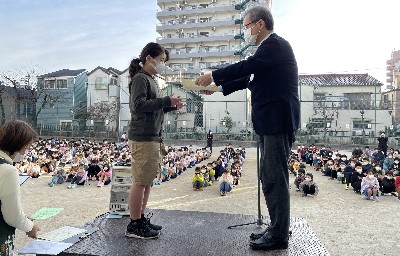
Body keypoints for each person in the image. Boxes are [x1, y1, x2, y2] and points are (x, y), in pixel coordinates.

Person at [195, 5, 299, 251]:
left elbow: (246, 67)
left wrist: (213, 75)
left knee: (274, 177)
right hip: (271, 121)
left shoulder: (275, 46)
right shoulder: (268, 52)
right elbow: (247, 79)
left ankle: (279, 234)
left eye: (247, 26)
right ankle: (277, 227)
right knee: (270, 175)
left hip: (276, 120)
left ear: (260, 24)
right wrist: (217, 88)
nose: (246, 32)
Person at [125, 42, 184, 239]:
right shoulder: (141, 78)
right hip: (143, 137)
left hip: (151, 136)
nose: (162, 65)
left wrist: (170, 106)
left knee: (147, 180)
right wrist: (166, 101)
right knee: (141, 181)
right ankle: (134, 224)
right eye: (160, 60)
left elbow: (153, 106)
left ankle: (140, 218)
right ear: (149, 58)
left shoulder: (151, 79)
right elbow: (138, 106)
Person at [0, 120, 40, 255]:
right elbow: (12, 215)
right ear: (17, 144)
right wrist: (30, 226)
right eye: (25, 147)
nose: (25, 152)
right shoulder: (7, 170)